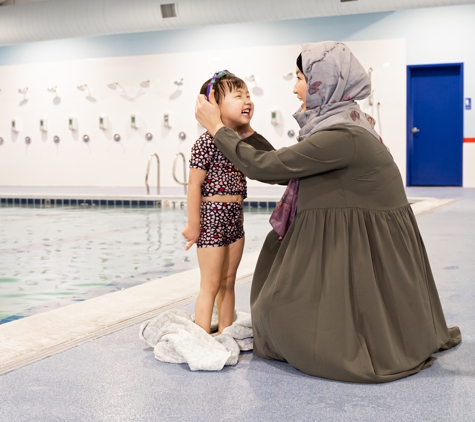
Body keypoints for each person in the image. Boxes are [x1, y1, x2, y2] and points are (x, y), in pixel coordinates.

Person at [194, 42, 461, 382]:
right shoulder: (348, 123)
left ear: (325, 81)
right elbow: (289, 165)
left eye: (300, 78)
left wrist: (218, 129)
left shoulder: (341, 135)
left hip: (359, 234)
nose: (295, 88)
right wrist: (245, 133)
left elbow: (269, 168)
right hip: (365, 232)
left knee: (277, 313)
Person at [182, 71, 273, 334]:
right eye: (238, 96)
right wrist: (193, 224)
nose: (247, 101)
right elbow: (194, 185)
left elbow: (268, 158)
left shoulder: (241, 143)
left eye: (248, 95)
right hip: (212, 214)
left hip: (235, 216)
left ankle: (226, 332)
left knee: (229, 281)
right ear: (213, 105)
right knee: (210, 284)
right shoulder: (205, 143)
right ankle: (201, 336)